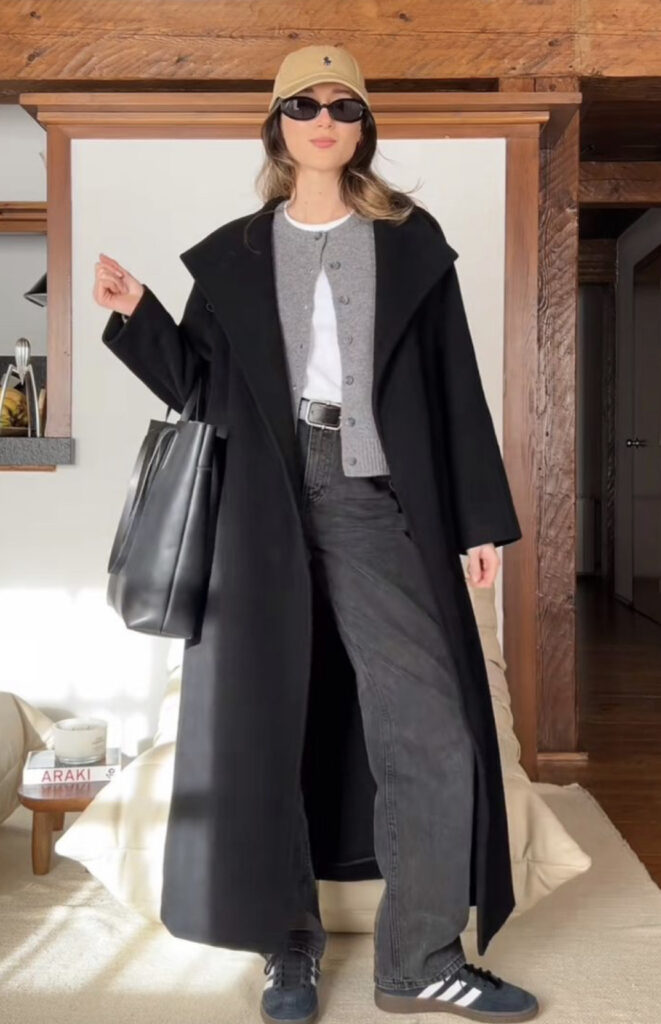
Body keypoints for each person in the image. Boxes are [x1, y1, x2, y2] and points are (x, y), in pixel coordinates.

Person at [94, 43, 538, 1024]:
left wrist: (478, 519)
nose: (324, 119)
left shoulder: (408, 242)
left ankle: (418, 959)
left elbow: (452, 383)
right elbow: (201, 390)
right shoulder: (237, 254)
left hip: (369, 493)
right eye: (303, 104)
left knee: (431, 729)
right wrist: (139, 318)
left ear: (363, 126)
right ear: (278, 126)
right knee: (267, 729)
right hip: (258, 501)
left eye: (343, 105)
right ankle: (285, 948)